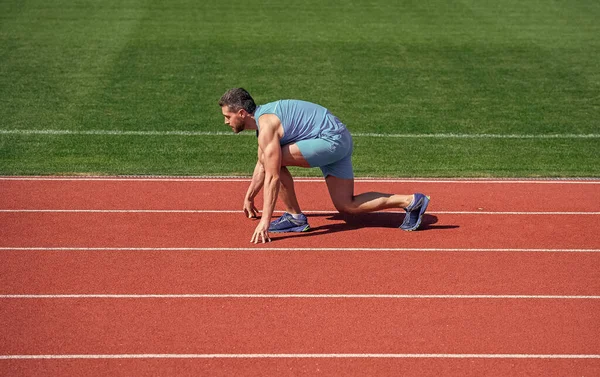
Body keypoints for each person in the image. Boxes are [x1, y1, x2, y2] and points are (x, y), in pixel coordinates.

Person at [218, 88, 430, 244]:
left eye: (228, 117)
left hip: (331, 141)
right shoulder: (264, 123)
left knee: (274, 160)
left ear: (242, 114)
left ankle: (294, 217)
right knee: (347, 205)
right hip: (339, 139)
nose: (226, 122)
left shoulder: (267, 127)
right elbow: (261, 164)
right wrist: (249, 196)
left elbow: (272, 175)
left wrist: (265, 221)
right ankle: (411, 201)